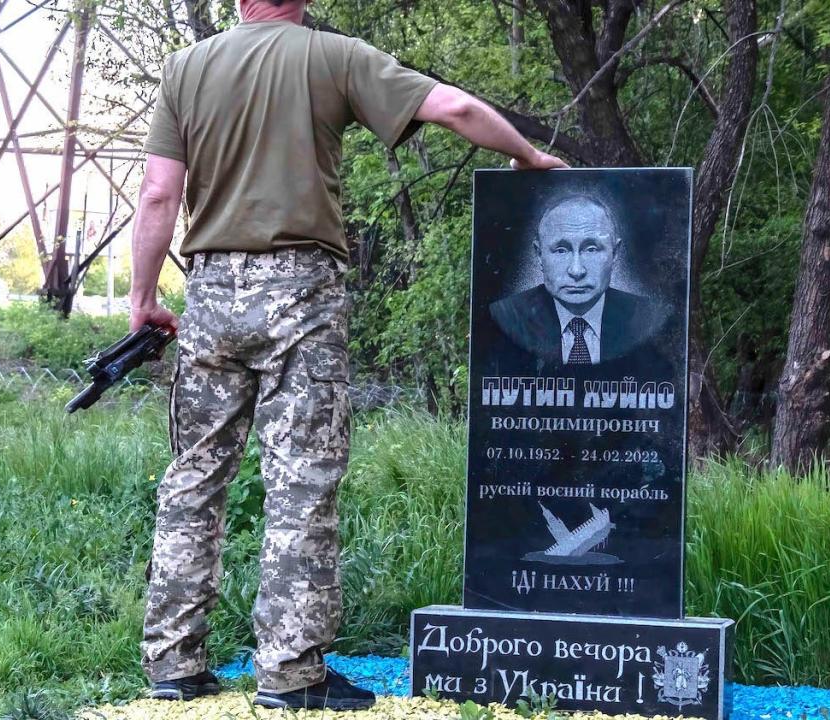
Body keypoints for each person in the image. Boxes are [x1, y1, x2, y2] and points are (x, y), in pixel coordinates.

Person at [128, 0, 567, 711]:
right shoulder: (333, 55)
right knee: (300, 481)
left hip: (208, 293)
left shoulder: (186, 68)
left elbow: (157, 196)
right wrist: (526, 154)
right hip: (301, 291)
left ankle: (173, 664)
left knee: (193, 477)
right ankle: (291, 676)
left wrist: (143, 299)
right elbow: (452, 107)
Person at [488, 195, 661, 373]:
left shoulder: (650, 319)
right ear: (539, 254)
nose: (577, 271)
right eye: (561, 250)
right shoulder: (506, 318)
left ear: (615, 253)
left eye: (591, 249)